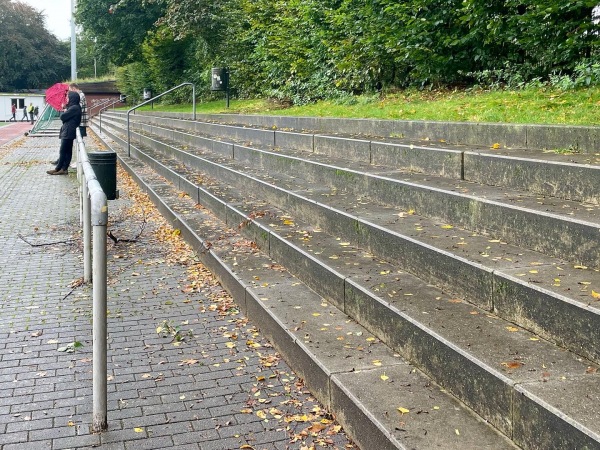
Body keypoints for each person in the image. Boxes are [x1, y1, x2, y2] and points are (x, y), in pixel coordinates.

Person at [47, 92, 82, 176]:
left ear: (73, 98)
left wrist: (63, 109)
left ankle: (60, 168)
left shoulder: (74, 108)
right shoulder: (74, 107)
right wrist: (65, 108)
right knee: (67, 150)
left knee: (63, 150)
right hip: (68, 130)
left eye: (68, 98)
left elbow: (62, 117)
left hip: (69, 131)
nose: (67, 99)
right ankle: (62, 168)